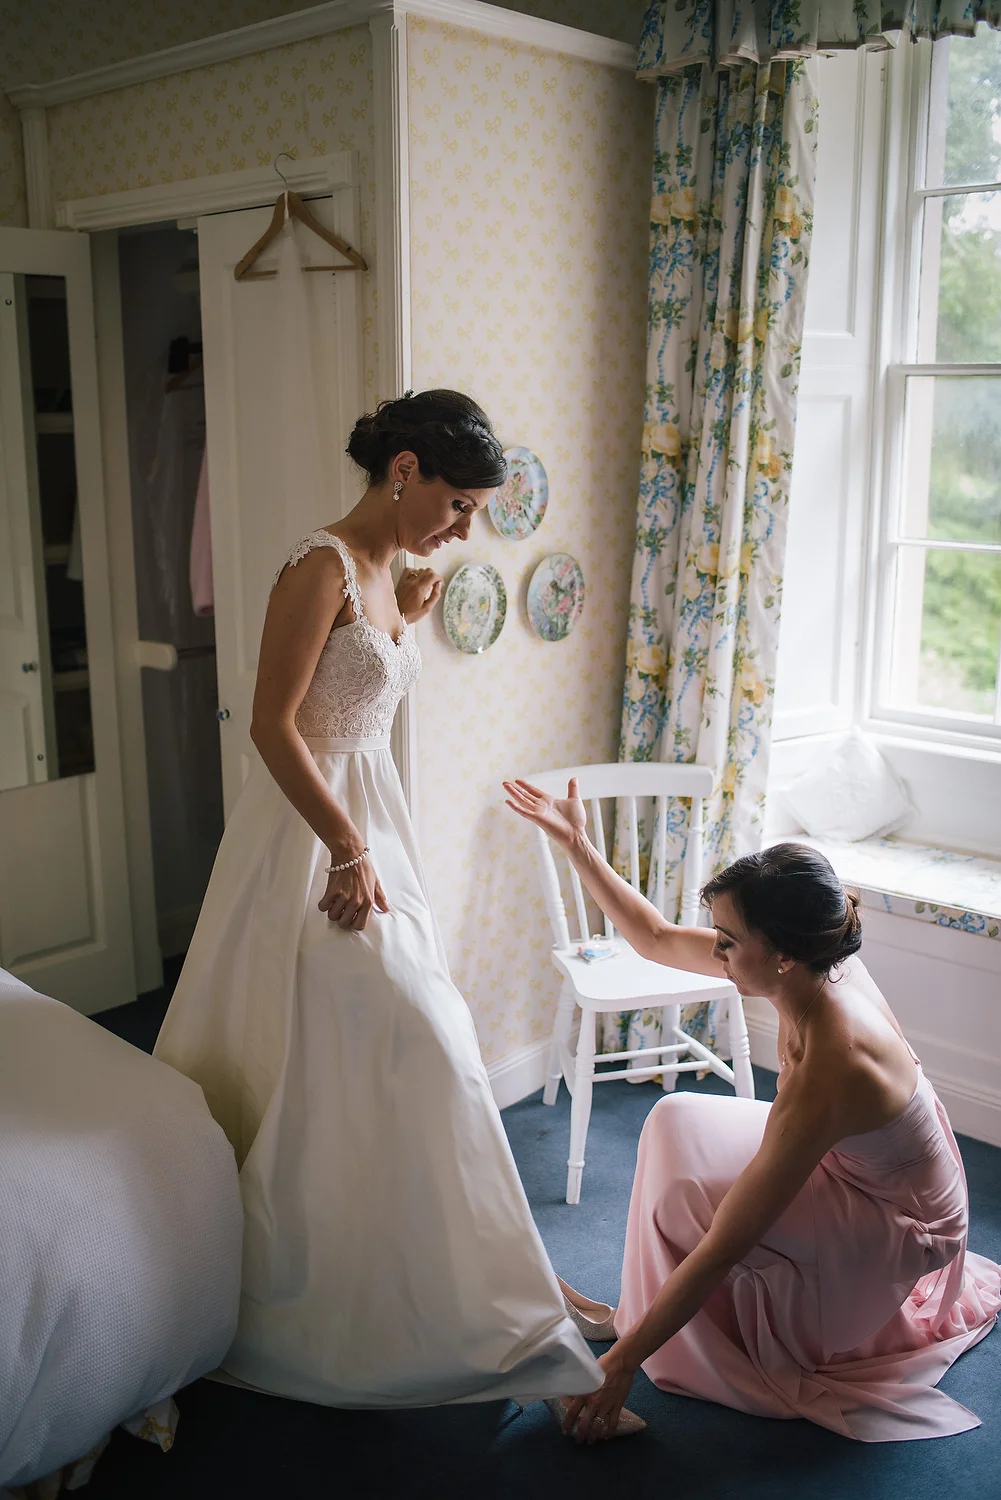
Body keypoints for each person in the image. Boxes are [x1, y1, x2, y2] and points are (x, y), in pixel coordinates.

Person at [154, 391, 601, 1408]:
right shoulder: (315, 565)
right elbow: (272, 726)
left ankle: (497, 1281)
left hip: (372, 826)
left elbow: (352, 681)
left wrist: (403, 615)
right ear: (404, 471)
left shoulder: (384, 573)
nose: (463, 528)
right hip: (314, 840)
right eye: (459, 504)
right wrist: (346, 850)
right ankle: (406, 1290)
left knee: (393, 1054)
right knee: (409, 1039)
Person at [503, 776, 1001, 1443]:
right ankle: (634, 1314)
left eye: (727, 941)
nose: (716, 953)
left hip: (895, 1219)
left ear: (783, 955)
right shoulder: (809, 963)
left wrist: (621, 1367)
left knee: (697, 1210)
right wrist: (578, 844)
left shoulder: (834, 1062)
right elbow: (653, 936)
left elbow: (725, 1244)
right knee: (674, 1119)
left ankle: (652, 1344)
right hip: (856, 1161)